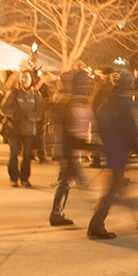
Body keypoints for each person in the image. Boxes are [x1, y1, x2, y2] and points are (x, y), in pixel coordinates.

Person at [88, 71, 138, 239]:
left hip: (111, 150)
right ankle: (96, 225)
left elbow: (100, 125)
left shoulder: (107, 101)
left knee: (117, 188)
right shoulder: (125, 104)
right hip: (119, 152)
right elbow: (133, 133)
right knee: (112, 191)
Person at [50, 70, 93, 226]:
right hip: (68, 151)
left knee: (66, 182)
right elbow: (66, 131)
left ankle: (57, 213)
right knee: (65, 182)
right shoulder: (67, 102)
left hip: (68, 150)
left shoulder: (69, 101)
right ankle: (56, 214)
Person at [1, 69, 44, 187]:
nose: (25, 81)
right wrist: (14, 113)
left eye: (27, 79)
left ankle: (25, 178)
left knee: (27, 155)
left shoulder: (36, 94)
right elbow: (3, 108)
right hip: (15, 128)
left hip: (30, 129)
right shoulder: (13, 93)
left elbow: (40, 112)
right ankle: (13, 178)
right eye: (23, 78)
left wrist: (30, 116)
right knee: (13, 154)